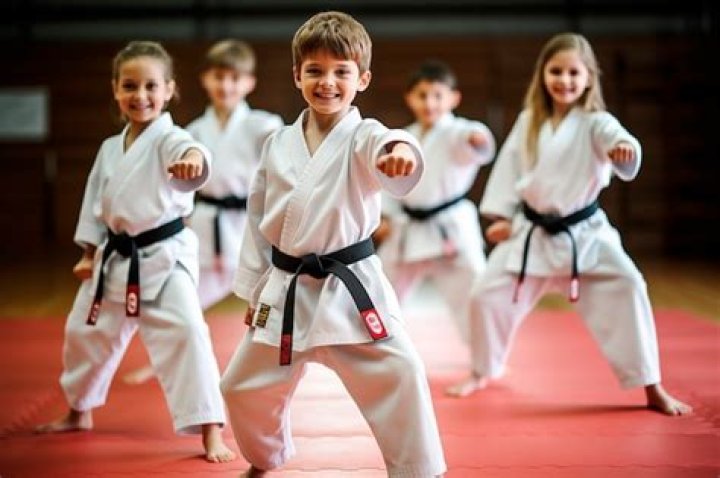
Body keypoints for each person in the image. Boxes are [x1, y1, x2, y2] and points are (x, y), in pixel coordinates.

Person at [220, 11, 447, 477]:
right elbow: (258, 219)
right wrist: (255, 290)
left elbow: (387, 143)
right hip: (286, 289)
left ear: (362, 79)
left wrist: (400, 152)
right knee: (240, 386)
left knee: (402, 372)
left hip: (349, 290)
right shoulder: (277, 143)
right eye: (315, 71)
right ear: (297, 76)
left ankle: (419, 470)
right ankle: (265, 456)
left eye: (341, 72)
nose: (327, 82)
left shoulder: (364, 135)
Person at [447, 33, 693, 417]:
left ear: (589, 77)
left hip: (585, 235)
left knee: (630, 285)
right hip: (530, 234)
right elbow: (508, 169)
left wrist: (624, 151)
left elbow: (621, 143)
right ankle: (482, 370)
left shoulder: (598, 123)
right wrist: (502, 218)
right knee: (485, 296)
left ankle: (651, 385)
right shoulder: (530, 122)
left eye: (574, 73)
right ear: (542, 75)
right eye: (556, 71)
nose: (564, 80)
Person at [34, 41, 236, 462]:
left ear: (168, 90)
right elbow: (96, 203)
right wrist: (88, 251)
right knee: (84, 333)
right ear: (115, 89)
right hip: (115, 257)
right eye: (129, 86)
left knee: (189, 333)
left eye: (150, 86)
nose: (140, 95)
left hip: (165, 258)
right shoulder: (110, 148)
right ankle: (78, 411)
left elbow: (193, 153)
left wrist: (193, 161)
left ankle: (211, 431)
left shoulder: (172, 139)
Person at [122, 39, 283, 386]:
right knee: (182, 305)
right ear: (205, 79)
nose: (226, 86)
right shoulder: (192, 132)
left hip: (248, 229)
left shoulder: (263, 125)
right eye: (218, 77)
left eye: (234, 78)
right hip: (205, 226)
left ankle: (273, 362)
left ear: (249, 82)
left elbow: (284, 152)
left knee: (267, 304)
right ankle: (165, 364)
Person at [377, 60, 495, 369]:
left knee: (474, 296)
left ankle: (486, 365)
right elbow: (390, 183)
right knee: (379, 293)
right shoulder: (404, 138)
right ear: (409, 98)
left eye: (438, 95)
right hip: (408, 228)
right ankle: (379, 358)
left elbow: (475, 141)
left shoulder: (458, 132)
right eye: (422, 95)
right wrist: (384, 216)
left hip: (450, 229)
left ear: (454, 98)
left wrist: (478, 139)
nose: (430, 103)